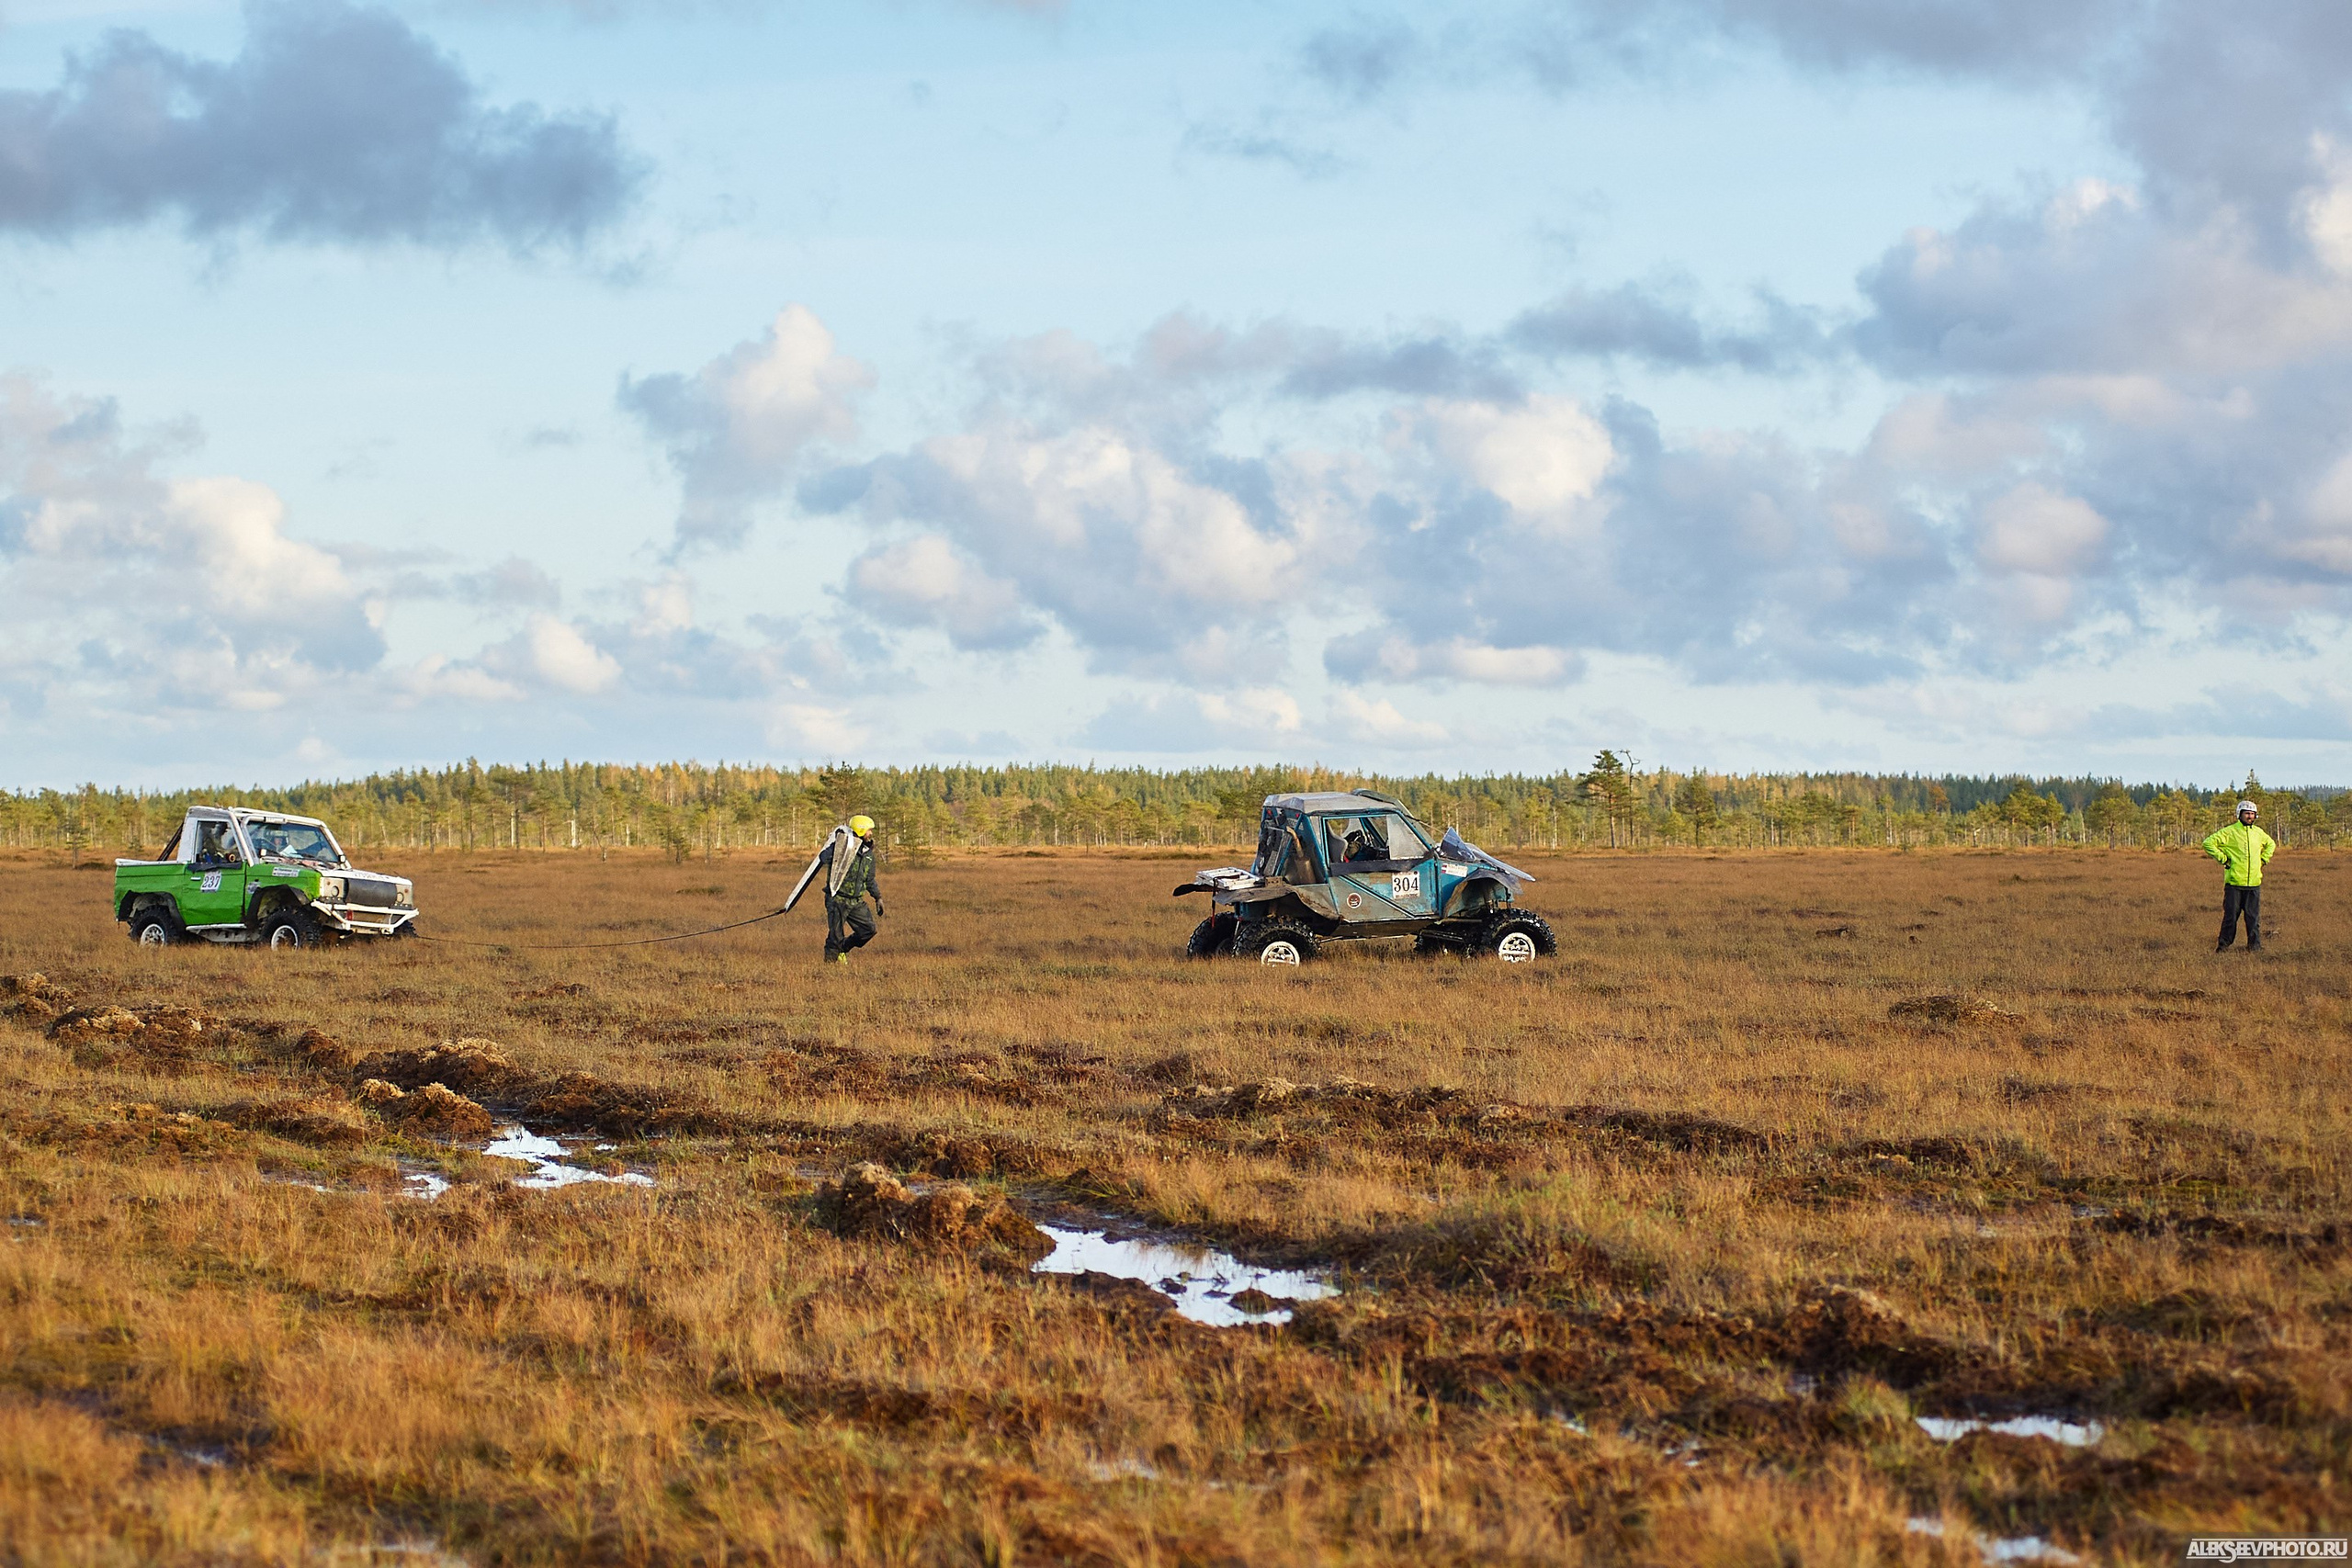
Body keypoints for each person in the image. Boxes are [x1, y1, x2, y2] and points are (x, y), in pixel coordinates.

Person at [2203, 800, 2276, 952]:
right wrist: (2224, 859)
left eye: (2252, 814)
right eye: (2247, 813)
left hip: (2254, 884)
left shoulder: (2258, 833)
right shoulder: (2229, 832)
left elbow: (2271, 844)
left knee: (2253, 919)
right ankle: (2223, 947)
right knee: (2231, 918)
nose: (2249, 817)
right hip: (2234, 884)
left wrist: (2264, 859)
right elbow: (2208, 843)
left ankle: (2254, 947)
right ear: (2239, 814)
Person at [818, 814, 885, 965]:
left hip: (856, 902)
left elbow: (870, 880)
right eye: (869, 830)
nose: (871, 833)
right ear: (860, 830)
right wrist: (836, 844)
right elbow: (823, 858)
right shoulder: (842, 847)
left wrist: (878, 897)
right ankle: (829, 969)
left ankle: (843, 949)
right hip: (837, 899)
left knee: (869, 930)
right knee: (835, 936)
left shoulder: (868, 855)